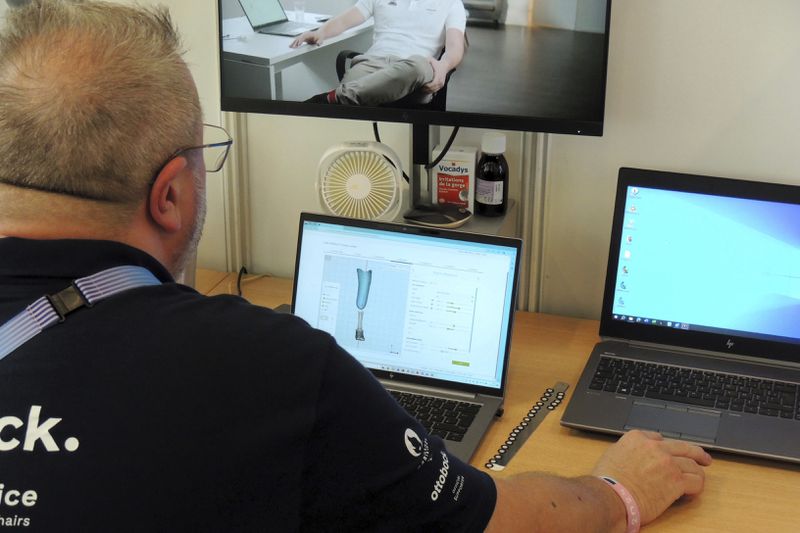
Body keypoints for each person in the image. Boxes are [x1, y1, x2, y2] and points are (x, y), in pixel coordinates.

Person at [0, 1, 712, 531]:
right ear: (172, 196)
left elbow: (451, 48)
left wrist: (431, 68)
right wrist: (618, 488)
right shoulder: (268, 367)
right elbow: (490, 520)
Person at [290, 0, 467, 106]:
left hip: (415, 71)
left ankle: (335, 97)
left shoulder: (451, 3)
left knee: (418, 66)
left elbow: (455, 47)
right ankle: (336, 98)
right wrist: (320, 32)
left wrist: (443, 67)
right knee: (354, 83)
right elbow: (345, 20)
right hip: (372, 63)